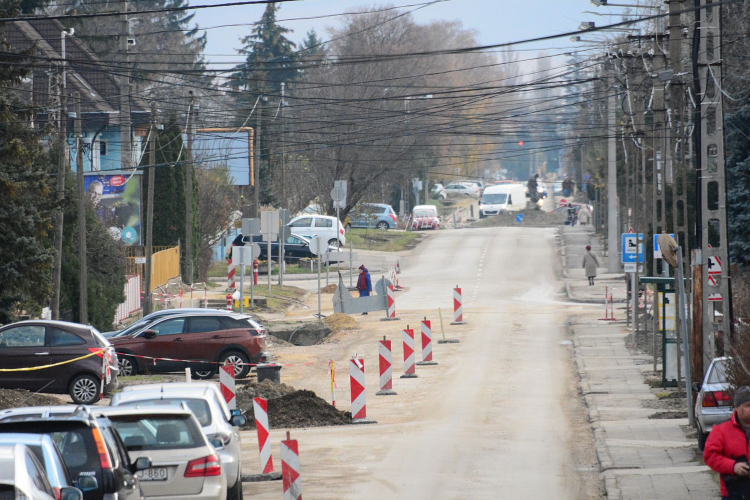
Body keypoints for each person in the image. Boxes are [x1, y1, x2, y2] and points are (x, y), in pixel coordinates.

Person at [705, 386, 750, 499]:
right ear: (737, 408)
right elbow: (710, 456)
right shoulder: (721, 430)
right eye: (748, 406)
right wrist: (733, 466)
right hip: (733, 492)